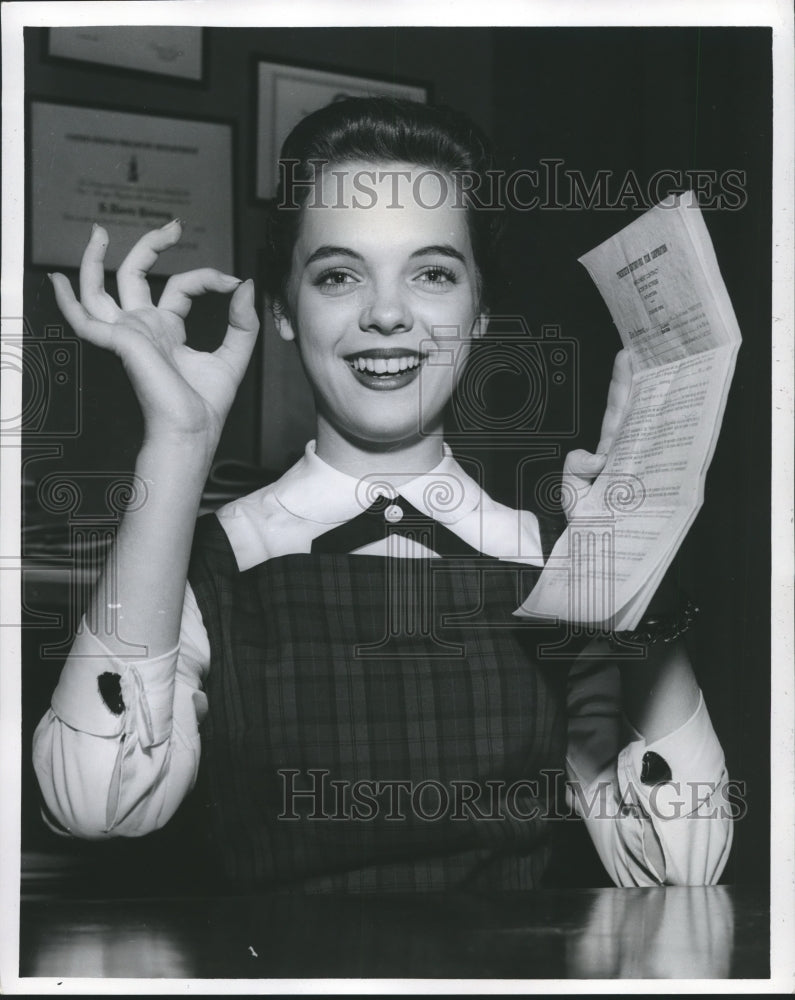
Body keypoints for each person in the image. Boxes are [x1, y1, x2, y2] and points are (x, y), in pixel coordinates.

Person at [33, 98, 732, 892]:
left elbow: (683, 868)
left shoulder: (556, 562)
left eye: (432, 273)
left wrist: (641, 559)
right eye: (338, 275)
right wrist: (178, 445)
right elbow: (95, 804)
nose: (389, 314)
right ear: (282, 310)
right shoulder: (207, 564)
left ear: (478, 315)